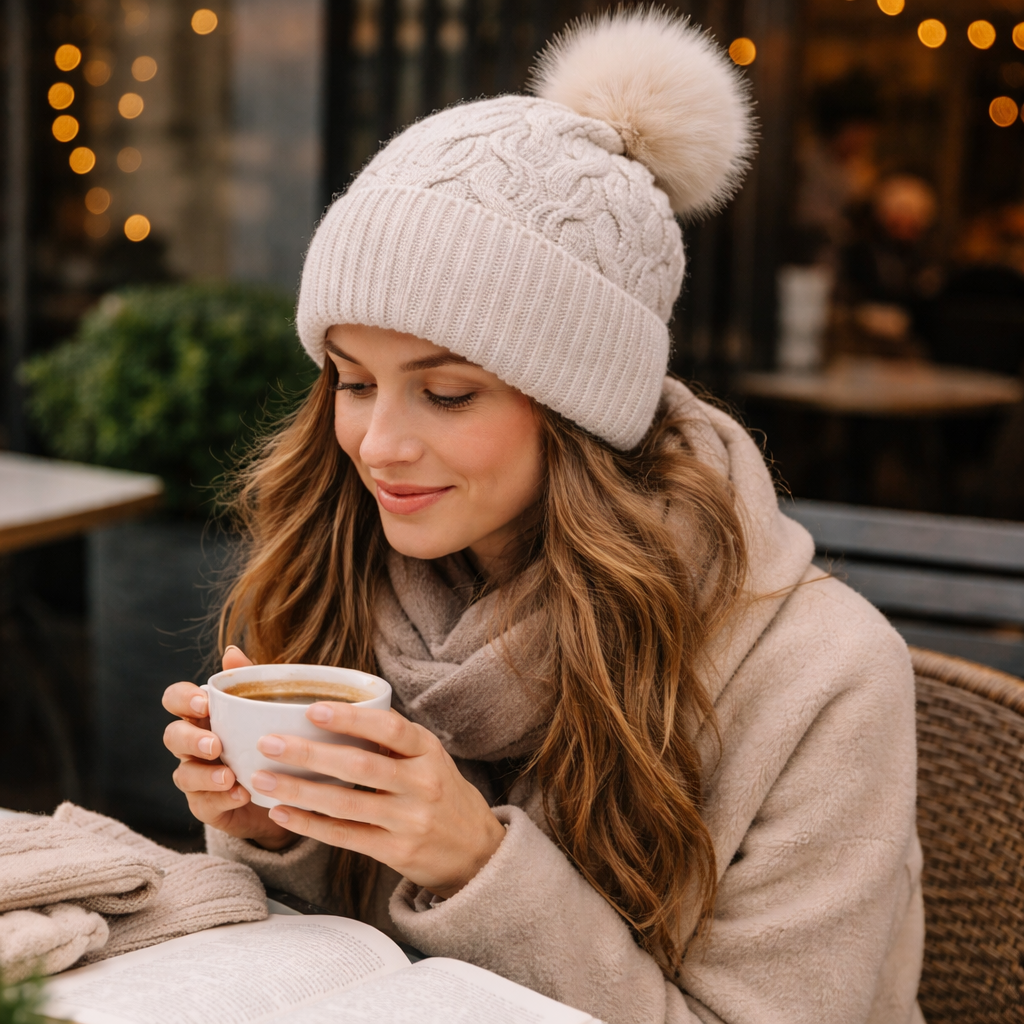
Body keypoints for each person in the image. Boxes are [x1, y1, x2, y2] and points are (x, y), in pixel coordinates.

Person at [162, 11, 924, 1024]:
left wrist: (475, 862)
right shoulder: (350, 572)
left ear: (574, 406)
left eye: (446, 393)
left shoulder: (822, 678)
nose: (378, 444)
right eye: (351, 381)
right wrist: (276, 828)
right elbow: (341, 972)